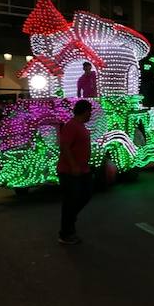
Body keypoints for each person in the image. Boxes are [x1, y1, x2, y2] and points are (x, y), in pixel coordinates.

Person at [57, 100, 94, 245]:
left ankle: (71, 218)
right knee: (70, 201)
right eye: (90, 111)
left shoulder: (80, 126)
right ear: (84, 111)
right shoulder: (71, 126)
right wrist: (73, 165)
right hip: (69, 171)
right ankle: (65, 233)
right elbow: (65, 146)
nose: (91, 114)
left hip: (83, 170)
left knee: (86, 195)